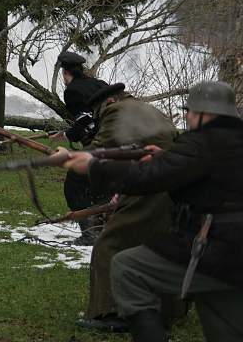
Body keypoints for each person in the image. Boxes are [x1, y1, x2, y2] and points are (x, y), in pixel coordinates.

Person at [62, 81, 243, 342]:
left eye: (190, 111)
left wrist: (93, 166)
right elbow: (201, 174)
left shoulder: (204, 142)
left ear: (206, 114)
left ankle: (122, 317)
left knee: (128, 266)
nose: (187, 117)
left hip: (219, 251)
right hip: (230, 256)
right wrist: (166, 159)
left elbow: (147, 178)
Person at [75, 83, 186, 332]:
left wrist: (67, 155)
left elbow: (99, 151)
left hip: (152, 185)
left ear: (109, 102)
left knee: (109, 244)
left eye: (98, 112)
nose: (99, 117)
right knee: (160, 246)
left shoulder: (117, 111)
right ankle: (170, 309)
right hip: (171, 181)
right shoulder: (146, 109)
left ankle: (112, 313)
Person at [50, 51, 109, 246]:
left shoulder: (72, 91)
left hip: (99, 144)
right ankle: (104, 229)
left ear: (65, 73)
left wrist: (69, 135)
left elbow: (85, 121)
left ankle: (90, 234)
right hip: (116, 139)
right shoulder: (99, 84)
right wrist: (67, 132)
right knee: (101, 189)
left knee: (74, 188)